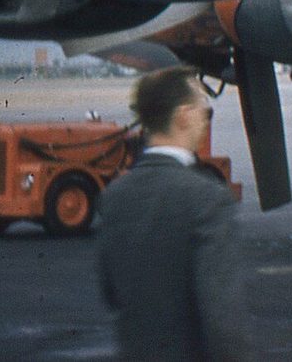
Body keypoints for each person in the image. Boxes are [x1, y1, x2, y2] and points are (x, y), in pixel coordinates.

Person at [97, 66, 252, 361]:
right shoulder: (208, 199)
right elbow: (222, 317)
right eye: (204, 112)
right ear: (182, 116)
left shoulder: (114, 197)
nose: (205, 122)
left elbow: (110, 292)